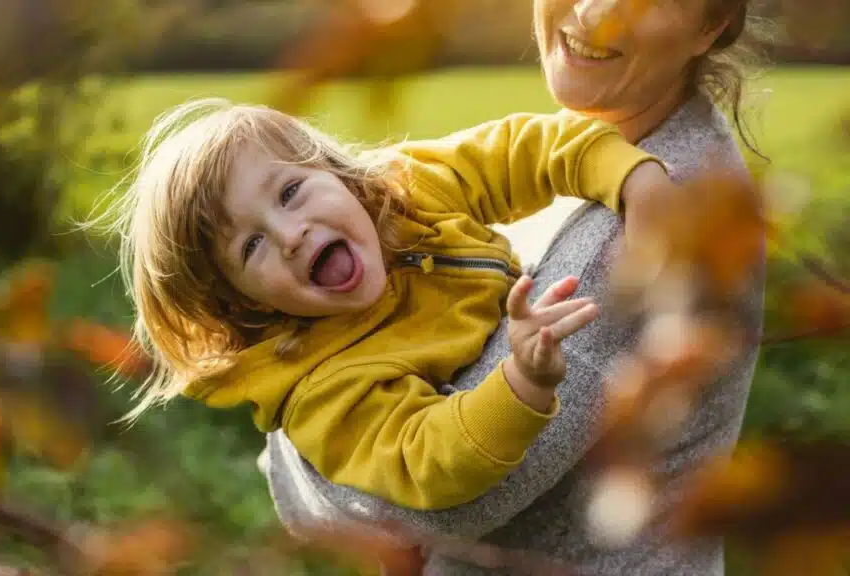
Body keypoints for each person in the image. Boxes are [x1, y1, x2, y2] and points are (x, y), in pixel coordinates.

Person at [262, 0, 769, 573]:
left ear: (712, 27)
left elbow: (447, 505)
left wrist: (296, 413)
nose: (593, 12)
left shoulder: (646, 217)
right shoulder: (580, 155)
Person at [106, 96, 678, 511]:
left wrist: (632, 177)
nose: (290, 233)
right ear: (243, 303)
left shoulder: (407, 191)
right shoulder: (324, 389)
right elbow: (424, 458)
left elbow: (523, 149)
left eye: (290, 191)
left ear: (337, 173)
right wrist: (521, 383)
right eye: (251, 244)